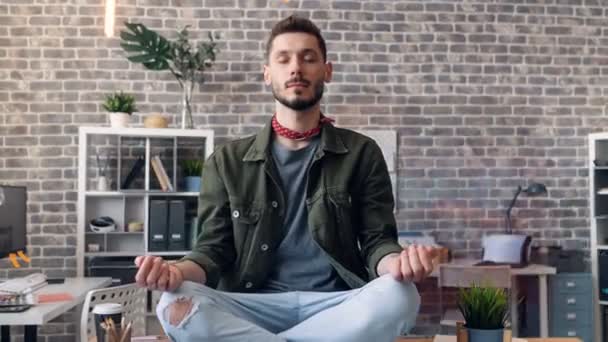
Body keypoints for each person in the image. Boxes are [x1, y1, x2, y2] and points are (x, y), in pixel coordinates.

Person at [134, 15, 437, 342]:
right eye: (284, 59)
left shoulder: (362, 153)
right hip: (251, 304)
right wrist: (176, 271)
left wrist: (399, 264)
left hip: (336, 303)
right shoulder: (226, 161)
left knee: (402, 296)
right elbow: (213, 250)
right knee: (173, 304)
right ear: (268, 74)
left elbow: (378, 241)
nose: (296, 68)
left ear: (327, 71)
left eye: (308, 58)